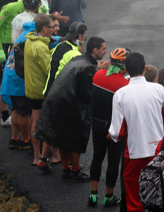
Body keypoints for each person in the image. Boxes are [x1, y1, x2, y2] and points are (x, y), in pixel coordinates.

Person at [34, 37, 109, 183]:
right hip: (69, 105)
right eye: (103, 49)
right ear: (95, 50)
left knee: (62, 138)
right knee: (75, 138)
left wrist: (96, 69)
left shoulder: (79, 59)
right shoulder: (88, 68)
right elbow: (86, 94)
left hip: (58, 102)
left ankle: (66, 169)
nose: (105, 52)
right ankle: (75, 172)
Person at [108, 52, 164, 212]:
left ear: (126, 70)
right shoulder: (159, 90)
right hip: (157, 152)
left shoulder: (120, 94)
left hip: (133, 154)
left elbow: (116, 132)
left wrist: (113, 134)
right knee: (158, 197)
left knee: (134, 201)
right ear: (144, 68)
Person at [89, 48, 130, 208]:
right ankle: (108, 196)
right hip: (113, 129)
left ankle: (93, 195)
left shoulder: (97, 75)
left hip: (97, 124)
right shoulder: (124, 85)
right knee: (113, 162)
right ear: (125, 67)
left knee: (97, 157)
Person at [24, 14, 56, 168]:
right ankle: (52, 155)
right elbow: (49, 70)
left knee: (35, 120)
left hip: (30, 86)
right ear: (44, 28)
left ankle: (36, 156)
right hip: (41, 89)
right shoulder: (41, 47)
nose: (54, 30)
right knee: (47, 122)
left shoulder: (29, 41)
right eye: (52, 27)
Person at [1, 20, 35, 151]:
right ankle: (26, 140)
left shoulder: (19, 37)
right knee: (23, 112)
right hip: (18, 81)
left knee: (15, 110)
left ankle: (15, 138)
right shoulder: (29, 38)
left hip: (9, 78)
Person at [45, 22, 87, 95]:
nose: (85, 36)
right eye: (85, 34)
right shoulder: (74, 54)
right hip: (59, 96)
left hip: (49, 91)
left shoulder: (60, 46)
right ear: (80, 36)